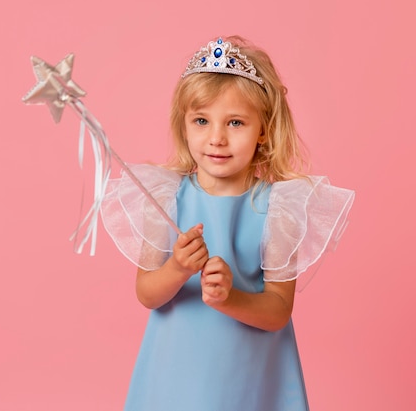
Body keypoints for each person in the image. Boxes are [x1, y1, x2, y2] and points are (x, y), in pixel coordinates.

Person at [101, 36, 355, 411]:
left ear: (263, 130)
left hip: (250, 374)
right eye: (202, 120)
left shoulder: (279, 208)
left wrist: (229, 297)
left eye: (235, 122)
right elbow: (147, 293)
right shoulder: (163, 198)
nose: (217, 138)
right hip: (176, 371)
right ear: (184, 125)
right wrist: (176, 268)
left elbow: (277, 310)